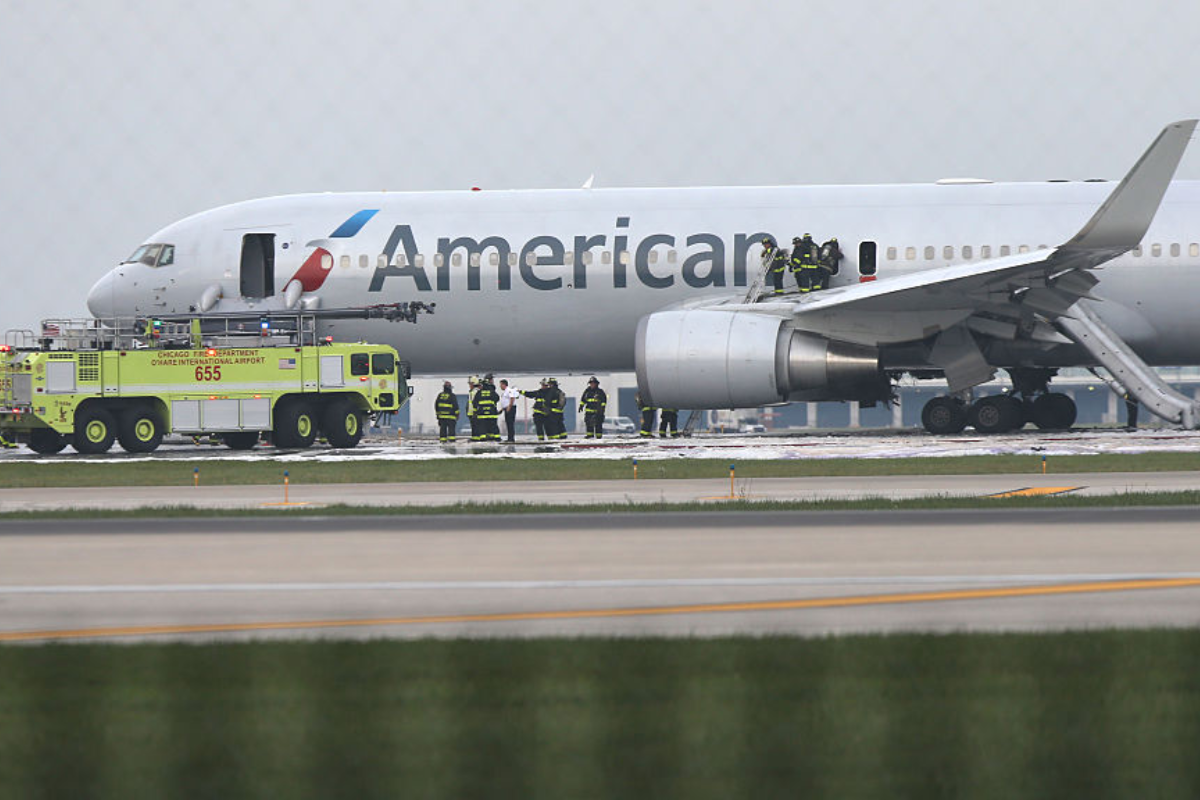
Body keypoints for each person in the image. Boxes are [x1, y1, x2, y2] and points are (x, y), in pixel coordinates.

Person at [473, 374, 501, 441]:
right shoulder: (492, 392)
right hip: (491, 413)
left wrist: (475, 412)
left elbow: (474, 403)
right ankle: (496, 437)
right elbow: (497, 398)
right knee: (493, 426)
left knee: (482, 427)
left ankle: (483, 438)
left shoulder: (479, 393)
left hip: (482, 414)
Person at [465, 375, 480, 442]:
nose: (469, 385)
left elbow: (475, 403)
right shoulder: (472, 391)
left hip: (475, 413)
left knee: (476, 426)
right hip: (471, 412)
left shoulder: (475, 391)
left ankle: (476, 438)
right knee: (473, 426)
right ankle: (474, 437)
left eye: (470, 383)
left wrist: (475, 412)